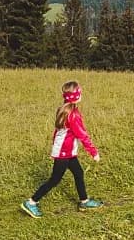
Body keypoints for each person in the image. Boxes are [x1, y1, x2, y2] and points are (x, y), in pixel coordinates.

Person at [21, 81, 103, 217]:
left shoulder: (65, 109)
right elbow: (82, 134)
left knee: (78, 173)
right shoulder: (73, 115)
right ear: (76, 96)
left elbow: (57, 133)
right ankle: (31, 202)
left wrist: (55, 149)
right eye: (79, 92)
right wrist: (93, 152)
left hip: (66, 152)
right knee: (54, 179)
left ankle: (84, 201)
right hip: (64, 153)